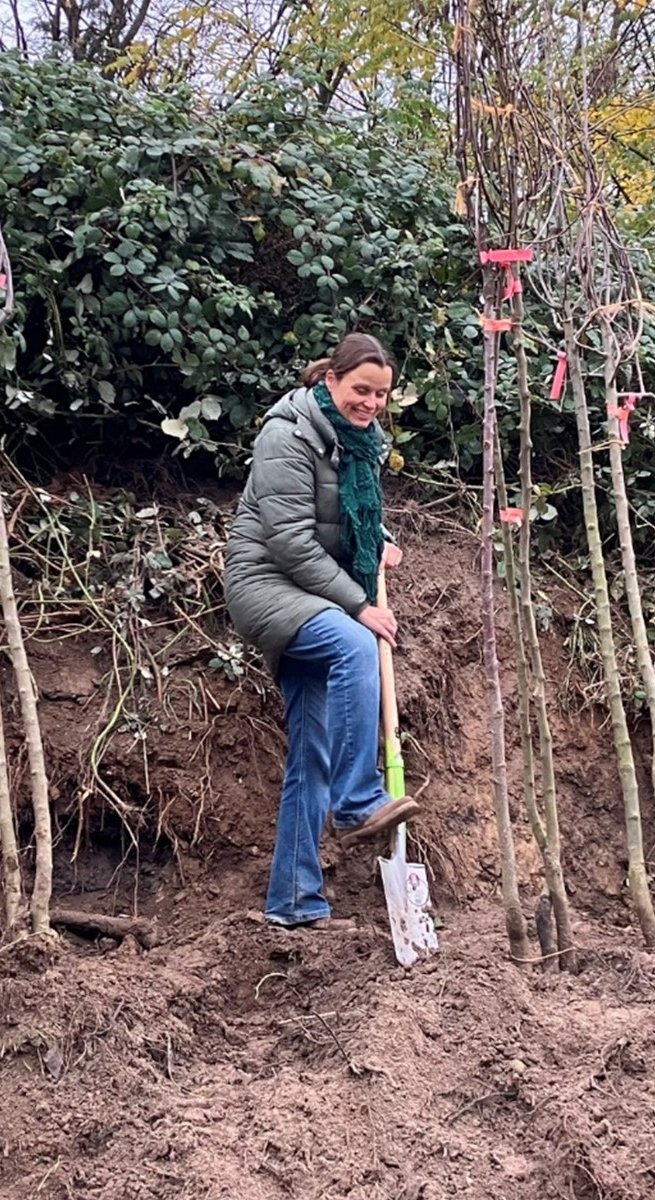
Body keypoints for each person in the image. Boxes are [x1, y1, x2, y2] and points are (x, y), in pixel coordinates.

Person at [224, 333, 419, 930]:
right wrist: (359, 604)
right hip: (267, 585)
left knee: (310, 755)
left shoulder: (361, 442)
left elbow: (340, 519)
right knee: (356, 643)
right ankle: (360, 799)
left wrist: (375, 540)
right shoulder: (288, 433)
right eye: (362, 390)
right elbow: (288, 540)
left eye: (382, 394)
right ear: (330, 379)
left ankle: (294, 901)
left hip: (314, 590)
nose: (371, 403)